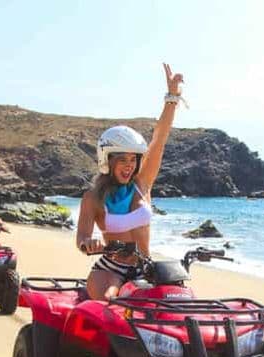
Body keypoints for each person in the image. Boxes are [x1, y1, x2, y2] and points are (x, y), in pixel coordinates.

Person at [76, 63, 184, 300]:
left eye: (133, 159)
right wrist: (89, 243)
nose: (129, 165)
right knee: (112, 303)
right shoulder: (93, 197)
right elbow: (82, 237)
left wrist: (172, 98)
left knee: (178, 302)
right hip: (111, 270)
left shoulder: (142, 184)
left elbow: (159, 139)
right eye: (122, 159)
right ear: (107, 160)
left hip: (146, 268)